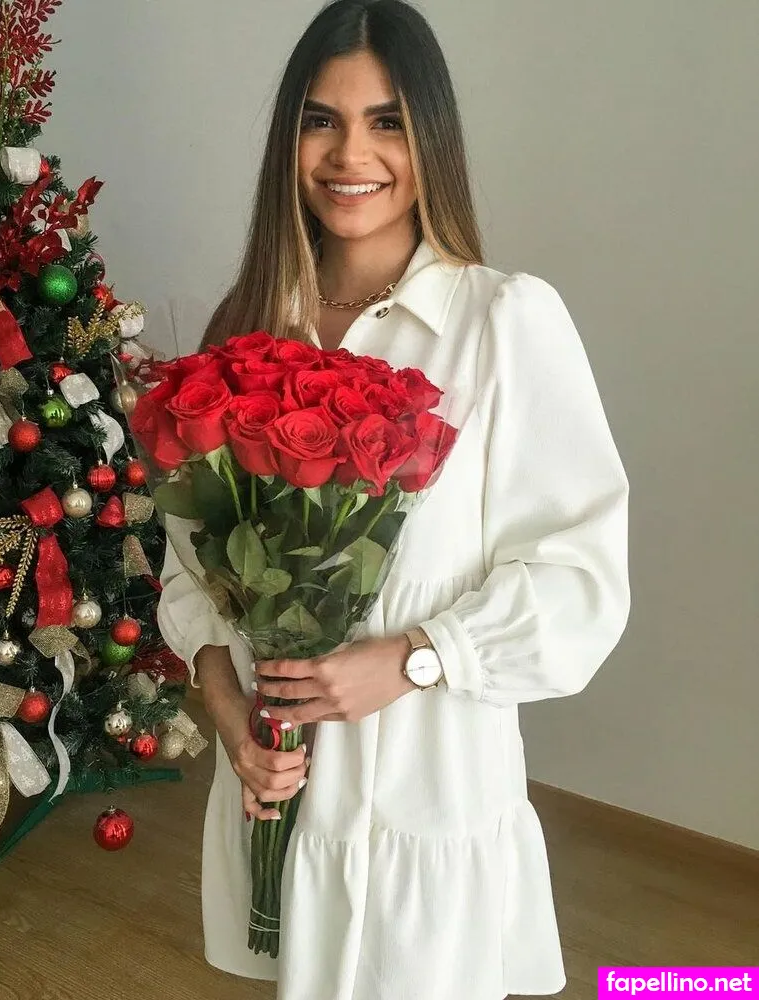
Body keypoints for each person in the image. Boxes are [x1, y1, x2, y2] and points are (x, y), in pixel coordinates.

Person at [156, 2, 631, 998]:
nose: (349, 155)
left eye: (386, 122)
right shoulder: (248, 327)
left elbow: (581, 582)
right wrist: (228, 709)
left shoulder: (503, 322)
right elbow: (191, 561)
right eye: (320, 121)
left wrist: (416, 658)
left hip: (426, 799)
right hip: (277, 797)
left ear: (431, 140)